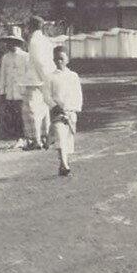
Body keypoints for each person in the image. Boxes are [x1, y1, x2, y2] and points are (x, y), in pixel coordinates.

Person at [46, 46, 83, 176]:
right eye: (56, 59)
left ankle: (62, 164)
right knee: (60, 136)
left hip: (70, 111)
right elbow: (46, 95)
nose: (59, 61)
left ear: (67, 59)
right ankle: (65, 164)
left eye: (61, 59)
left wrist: (75, 108)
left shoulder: (73, 76)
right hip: (57, 112)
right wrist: (54, 106)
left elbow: (78, 94)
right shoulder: (50, 77)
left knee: (68, 139)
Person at [24, 15, 56, 150]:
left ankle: (35, 140)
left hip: (36, 79)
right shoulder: (45, 40)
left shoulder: (35, 40)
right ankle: (44, 136)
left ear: (31, 26)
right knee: (43, 109)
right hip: (43, 78)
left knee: (31, 110)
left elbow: (39, 61)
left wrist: (44, 78)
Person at [0, 33, 31, 142]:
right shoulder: (5, 58)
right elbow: (3, 75)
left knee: (23, 114)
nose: (9, 45)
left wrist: (28, 89)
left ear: (17, 43)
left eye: (12, 42)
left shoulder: (25, 57)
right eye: (8, 42)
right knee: (12, 114)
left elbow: (29, 74)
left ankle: (26, 136)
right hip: (10, 91)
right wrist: (2, 92)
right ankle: (16, 136)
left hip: (22, 91)